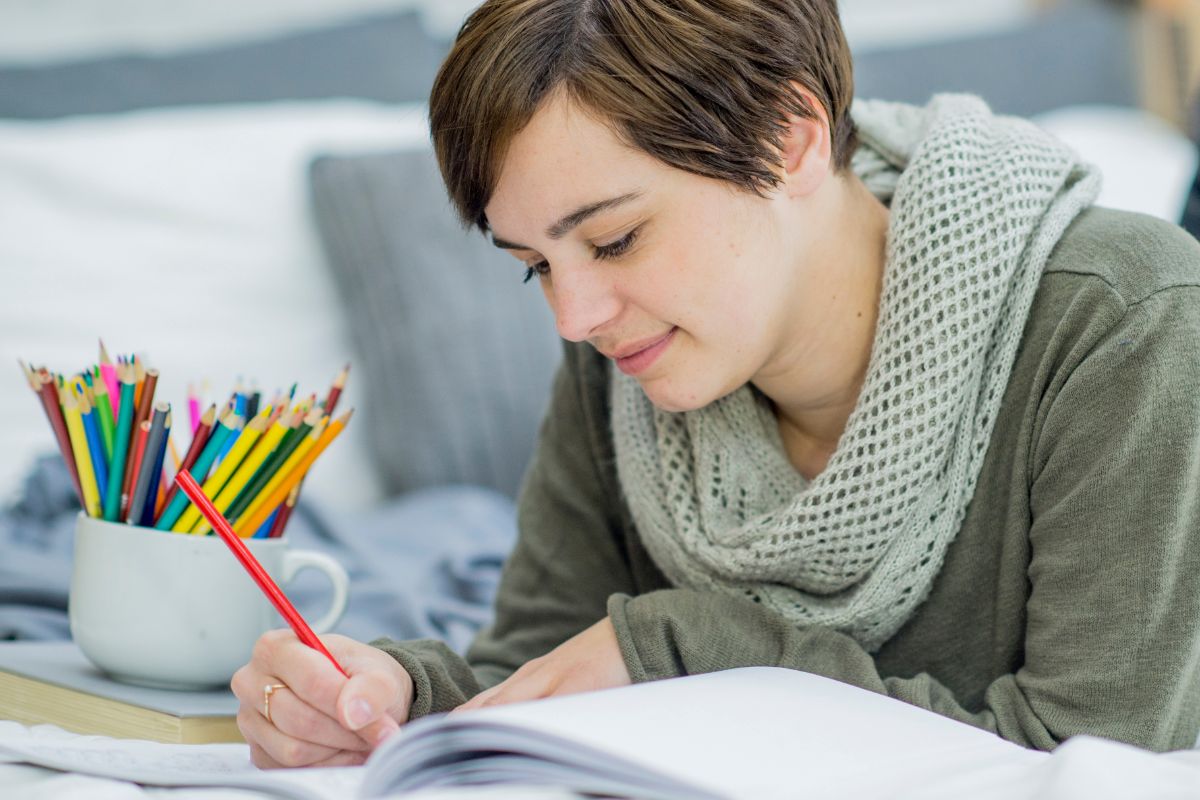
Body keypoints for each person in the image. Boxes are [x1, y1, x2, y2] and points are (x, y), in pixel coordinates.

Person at [232, 0, 1200, 768]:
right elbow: (538, 668)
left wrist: (699, 644)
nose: (575, 316)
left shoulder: (1125, 318)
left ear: (791, 138)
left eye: (615, 238)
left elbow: (1101, 760)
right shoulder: (625, 349)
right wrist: (391, 695)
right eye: (535, 264)